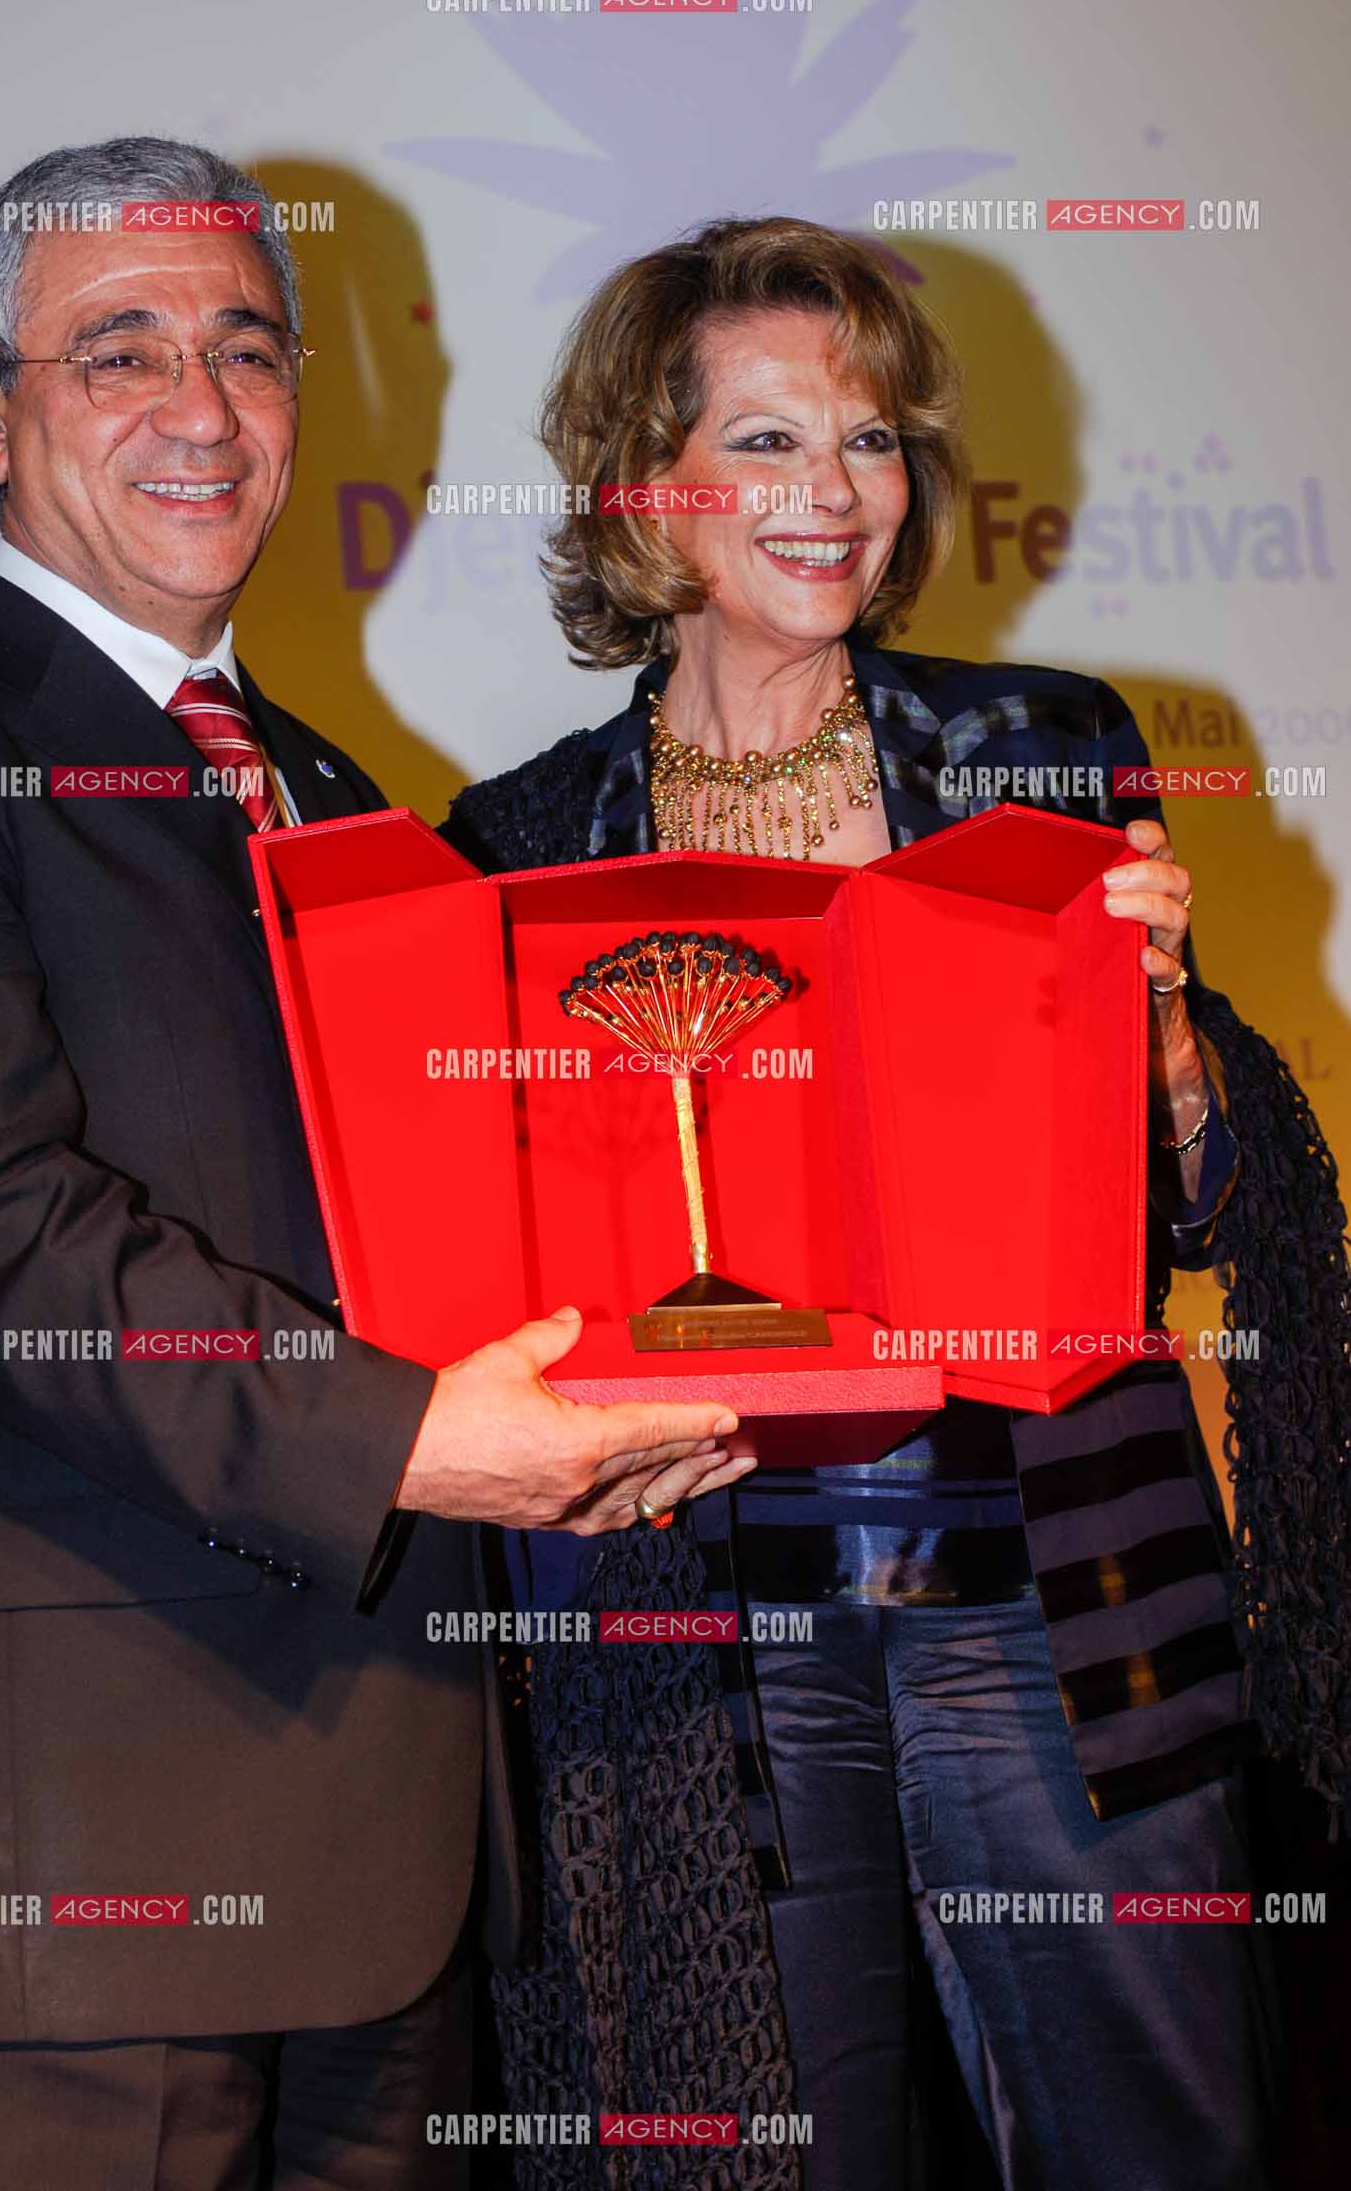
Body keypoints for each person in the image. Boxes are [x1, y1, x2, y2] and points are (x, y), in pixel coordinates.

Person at [0, 139, 752, 2191]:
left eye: (248, 352)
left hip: (393, 1842)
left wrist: (592, 1414)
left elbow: (418, 1243)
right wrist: (429, 1437)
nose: (200, 407)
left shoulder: (341, 796)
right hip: (70, 1874)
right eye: (121, 353)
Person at [445, 217, 1351, 2191]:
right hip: (705, 1629)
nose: (833, 494)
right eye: (764, 443)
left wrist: (1173, 1034)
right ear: (641, 486)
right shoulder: (515, 849)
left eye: (868, 440)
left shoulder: (1041, 755)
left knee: (1158, 2149)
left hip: (1055, 1608)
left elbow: (1202, 1206)